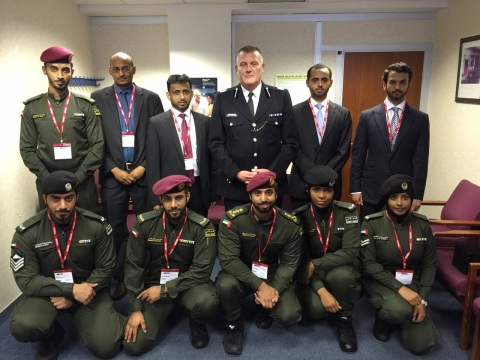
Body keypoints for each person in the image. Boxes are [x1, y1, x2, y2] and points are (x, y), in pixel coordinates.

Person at [9, 171, 125, 359]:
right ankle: (52, 336)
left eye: (69, 198)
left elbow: (105, 268)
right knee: (23, 326)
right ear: (44, 198)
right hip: (50, 293)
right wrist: (71, 291)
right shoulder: (27, 233)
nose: (63, 206)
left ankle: (110, 318)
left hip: (90, 291)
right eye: (55, 199)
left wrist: (76, 296)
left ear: (77, 197)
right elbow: (27, 281)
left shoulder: (97, 226)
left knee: (106, 347)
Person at [91, 52, 164, 301]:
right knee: (116, 231)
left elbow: (158, 136)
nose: (121, 73)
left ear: (134, 69)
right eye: (117, 69)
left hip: (144, 175)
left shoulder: (151, 99)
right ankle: (121, 278)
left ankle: (147, 277)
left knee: (147, 229)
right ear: (110, 70)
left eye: (126, 68)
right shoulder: (97, 98)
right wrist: (113, 169)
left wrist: (144, 165)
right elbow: (96, 140)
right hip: (114, 177)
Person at [123, 175, 218, 355]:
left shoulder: (202, 227)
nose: (174, 204)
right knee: (134, 346)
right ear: (161, 200)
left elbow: (202, 272)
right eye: (168, 199)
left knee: (207, 301)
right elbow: (133, 266)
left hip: (188, 285)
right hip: (153, 287)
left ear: (188, 197)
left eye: (179, 198)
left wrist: (165, 290)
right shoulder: (145, 224)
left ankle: (196, 322)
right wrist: (135, 308)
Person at [215, 171, 302, 355]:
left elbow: (289, 264)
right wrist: (261, 286)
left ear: (276, 195)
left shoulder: (290, 224)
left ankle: (265, 307)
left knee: (289, 314)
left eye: (269, 193)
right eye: (258, 193)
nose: (264, 199)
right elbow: (229, 260)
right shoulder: (233, 219)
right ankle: (233, 324)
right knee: (225, 285)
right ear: (249, 196)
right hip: (243, 270)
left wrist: (273, 290)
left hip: (272, 272)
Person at [209, 45, 298, 211]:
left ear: (262, 67)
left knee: (273, 235)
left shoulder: (280, 97)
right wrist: (235, 173)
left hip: (271, 187)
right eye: (243, 64)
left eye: (254, 63)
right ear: (236, 69)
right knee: (236, 236)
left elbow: (290, 143)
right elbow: (215, 144)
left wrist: (272, 172)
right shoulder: (223, 99)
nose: (248, 69)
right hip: (236, 188)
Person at [360, 174, 439, 355]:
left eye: (405, 197)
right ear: (386, 200)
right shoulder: (372, 223)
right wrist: (401, 290)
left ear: (411, 200)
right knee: (399, 310)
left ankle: (406, 312)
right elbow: (370, 265)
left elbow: (429, 264)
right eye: (393, 197)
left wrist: (423, 300)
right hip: (381, 281)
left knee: (422, 346)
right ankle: (385, 317)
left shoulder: (423, 225)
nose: (400, 203)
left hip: (413, 282)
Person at [20, 46, 104, 213]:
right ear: (44, 70)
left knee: (89, 230)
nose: (60, 76)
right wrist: (47, 177)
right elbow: (27, 150)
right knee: (53, 233)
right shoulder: (32, 107)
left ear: (72, 72)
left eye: (65, 70)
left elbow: (97, 146)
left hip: (83, 184)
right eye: (54, 69)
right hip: (48, 182)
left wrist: (78, 178)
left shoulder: (86, 105)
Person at [293, 165, 361, 352]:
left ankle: (345, 320)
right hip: (311, 275)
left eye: (327, 190)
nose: (322, 196)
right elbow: (302, 260)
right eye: (316, 190)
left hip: (339, 268)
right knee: (316, 311)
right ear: (309, 191)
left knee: (343, 277)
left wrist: (315, 264)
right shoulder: (299, 216)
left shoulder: (347, 213)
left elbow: (350, 252)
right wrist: (321, 291)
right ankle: (327, 296)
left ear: (334, 191)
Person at [350, 62, 430, 220]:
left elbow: (421, 159)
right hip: (371, 187)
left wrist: (418, 194)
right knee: (367, 232)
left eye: (403, 82)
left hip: (404, 190)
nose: (397, 87)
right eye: (393, 82)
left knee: (400, 234)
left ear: (409, 84)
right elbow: (358, 154)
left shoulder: (420, 119)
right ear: (384, 84)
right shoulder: (367, 116)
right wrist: (355, 188)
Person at [146, 74, 216, 217]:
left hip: (198, 186)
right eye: (176, 92)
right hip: (170, 188)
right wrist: (155, 197)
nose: (182, 97)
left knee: (199, 228)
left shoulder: (204, 122)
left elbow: (212, 161)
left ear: (191, 94)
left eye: (185, 92)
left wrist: (213, 192)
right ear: (168, 95)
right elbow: (153, 163)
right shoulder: (157, 123)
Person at [289, 64, 352, 209]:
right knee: (300, 230)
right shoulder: (293, 112)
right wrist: (312, 175)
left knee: (329, 230)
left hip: (330, 186)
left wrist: (324, 176)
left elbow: (343, 151)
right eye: (315, 80)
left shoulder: (343, 114)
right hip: (301, 183)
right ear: (307, 82)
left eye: (324, 80)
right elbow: (292, 147)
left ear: (331, 82)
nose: (319, 84)